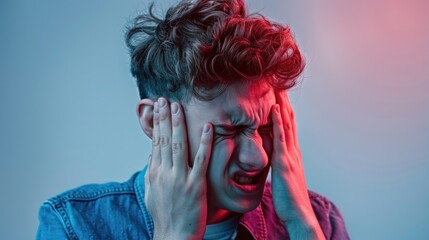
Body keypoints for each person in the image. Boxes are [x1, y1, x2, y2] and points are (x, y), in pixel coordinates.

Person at [36, 0, 350, 239]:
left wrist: (301, 225)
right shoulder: (75, 226)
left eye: (266, 126)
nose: (259, 157)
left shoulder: (319, 221)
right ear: (153, 122)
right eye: (229, 130)